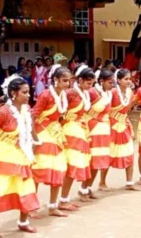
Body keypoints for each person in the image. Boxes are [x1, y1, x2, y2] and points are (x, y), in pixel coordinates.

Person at [0, 77, 40, 237]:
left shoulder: (27, 110)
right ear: (13, 93)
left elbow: (31, 130)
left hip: (21, 155)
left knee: (26, 188)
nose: (28, 95)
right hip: (3, 155)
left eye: (28, 92)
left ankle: (23, 222)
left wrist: (36, 143)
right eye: (24, 92)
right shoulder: (3, 111)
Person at [31, 65, 71, 218]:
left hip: (56, 135)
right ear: (55, 80)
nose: (67, 84)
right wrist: (34, 139)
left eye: (69, 81)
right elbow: (33, 117)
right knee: (39, 170)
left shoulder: (63, 95)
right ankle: (31, 207)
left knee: (59, 169)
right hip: (43, 134)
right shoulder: (46, 95)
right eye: (64, 80)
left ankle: (53, 205)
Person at [59, 65, 94, 209]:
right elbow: (59, 110)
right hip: (70, 130)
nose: (90, 86)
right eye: (87, 83)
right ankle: (62, 199)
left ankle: (64, 198)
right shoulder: (71, 93)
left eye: (92, 84)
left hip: (80, 129)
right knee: (72, 164)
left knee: (76, 164)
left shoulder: (85, 93)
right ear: (79, 80)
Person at [80, 69, 114, 195]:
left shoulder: (107, 93)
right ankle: (82, 189)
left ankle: (88, 188)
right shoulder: (92, 92)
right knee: (92, 160)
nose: (112, 85)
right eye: (110, 82)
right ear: (101, 81)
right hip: (93, 129)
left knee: (99, 161)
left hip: (104, 129)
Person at [108, 69, 140, 191]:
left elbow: (128, 110)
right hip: (112, 125)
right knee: (109, 154)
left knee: (130, 152)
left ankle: (130, 182)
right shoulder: (112, 92)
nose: (128, 81)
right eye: (125, 79)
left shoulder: (130, 93)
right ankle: (101, 182)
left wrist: (129, 125)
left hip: (123, 124)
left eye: (129, 79)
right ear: (119, 80)